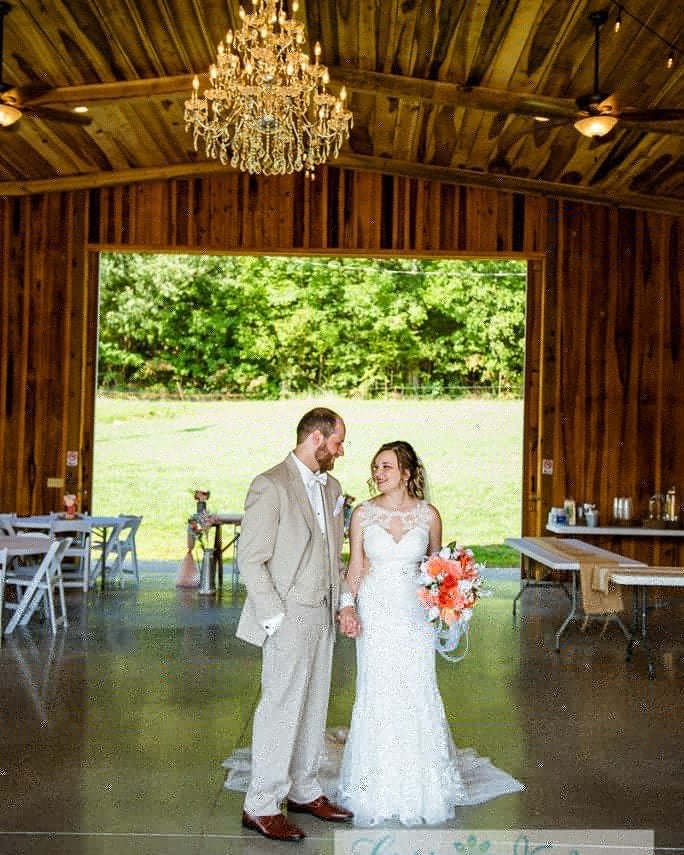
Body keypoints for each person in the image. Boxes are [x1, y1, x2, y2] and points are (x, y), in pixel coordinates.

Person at [337, 440, 523, 826]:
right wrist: (347, 605)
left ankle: (422, 786)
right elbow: (355, 565)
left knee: (417, 688)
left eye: (387, 467)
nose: (379, 473)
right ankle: (375, 786)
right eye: (376, 467)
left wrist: (452, 596)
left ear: (406, 473)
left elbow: (438, 567)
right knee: (377, 690)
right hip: (376, 610)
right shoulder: (362, 514)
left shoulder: (428, 516)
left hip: (413, 614)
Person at [236, 407, 360, 842]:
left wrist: (341, 602)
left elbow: (333, 553)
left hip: (323, 612)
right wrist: (274, 617)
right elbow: (250, 558)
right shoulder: (269, 485)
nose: (341, 451)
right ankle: (261, 804)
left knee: (314, 705)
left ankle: (305, 789)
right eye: (337, 443)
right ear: (315, 438)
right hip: (286, 615)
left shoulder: (333, 487)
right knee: (280, 707)